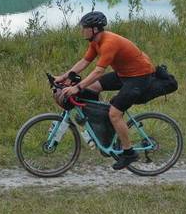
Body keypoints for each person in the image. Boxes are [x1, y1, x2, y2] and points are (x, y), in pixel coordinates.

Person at [54, 11, 156, 170]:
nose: (82, 30)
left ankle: (129, 153)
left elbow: (98, 72)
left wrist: (77, 87)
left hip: (140, 77)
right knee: (92, 87)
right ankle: (98, 120)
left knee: (115, 113)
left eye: (85, 28)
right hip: (124, 74)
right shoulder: (95, 42)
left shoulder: (109, 43)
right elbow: (84, 61)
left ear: (95, 29)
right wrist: (63, 76)